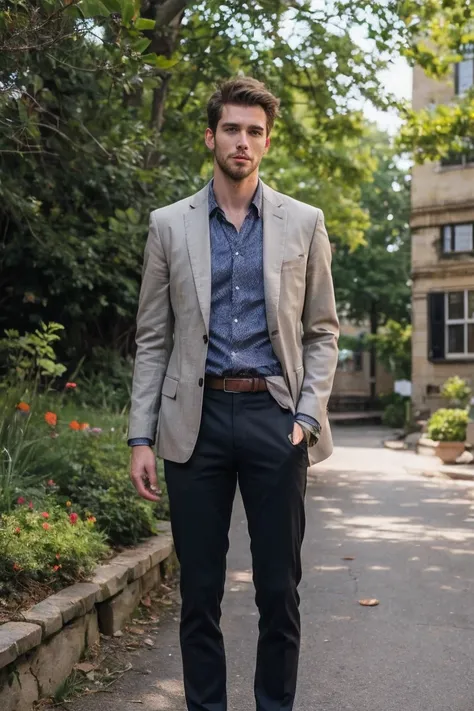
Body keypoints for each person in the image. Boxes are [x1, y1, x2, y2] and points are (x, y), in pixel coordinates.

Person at [128, 76, 339, 711]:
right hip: (195, 420)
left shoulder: (304, 223)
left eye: (254, 131)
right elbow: (152, 338)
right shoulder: (169, 225)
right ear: (211, 136)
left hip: (275, 418)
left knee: (280, 590)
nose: (242, 141)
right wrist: (140, 435)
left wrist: (304, 416)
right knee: (199, 593)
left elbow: (323, 330)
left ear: (266, 142)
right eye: (231, 129)